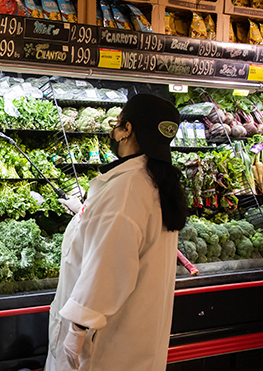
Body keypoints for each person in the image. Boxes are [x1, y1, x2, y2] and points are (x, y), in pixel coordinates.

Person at [45, 94, 188, 371]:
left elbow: (107, 267)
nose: (113, 131)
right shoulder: (153, 180)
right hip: (136, 338)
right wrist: (85, 212)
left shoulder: (126, 188)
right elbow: (121, 236)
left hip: (104, 344)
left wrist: (78, 328)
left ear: (127, 130)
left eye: (117, 123)